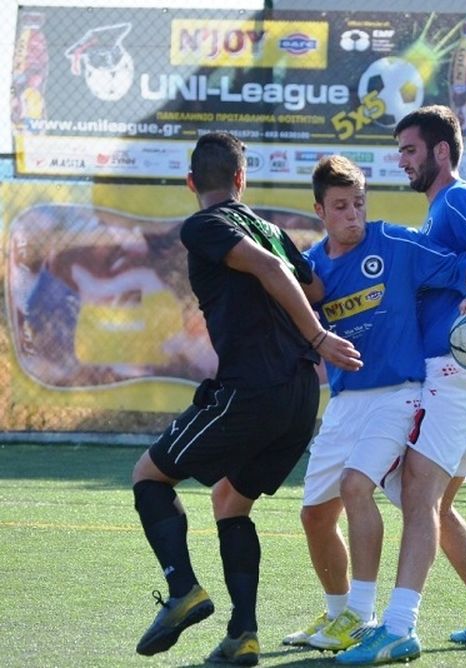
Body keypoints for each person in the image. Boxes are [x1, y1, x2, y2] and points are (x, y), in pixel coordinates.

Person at [130, 131, 362, 666]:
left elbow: (273, 272)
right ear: (241, 178)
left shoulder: (205, 224)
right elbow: (315, 288)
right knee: (230, 500)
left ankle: (183, 590)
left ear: (191, 182)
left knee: (148, 477)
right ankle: (243, 636)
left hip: (253, 389)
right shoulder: (273, 231)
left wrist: (318, 337)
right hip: (300, 398)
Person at [281, 155, 466, 653]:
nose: (353, 215)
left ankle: (370, 618)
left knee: (365, 489)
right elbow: (293, 315)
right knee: (317, 515)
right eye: (340, 206)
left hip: (399, 396)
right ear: (319, 210)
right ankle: (344, 614)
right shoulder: (314, 268)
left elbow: (459, 266)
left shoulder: (395, 242)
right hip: (345, 403)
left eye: (358, 203)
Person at [335, 105, 466, 665]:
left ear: (442, 151)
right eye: (400, 151)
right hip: (452, 375)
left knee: (418, 494)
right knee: (426, 501)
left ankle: (398, 627)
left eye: (410, 150)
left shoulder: (459, 197)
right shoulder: (439, 209)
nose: (402, 160)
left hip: (456, 373)